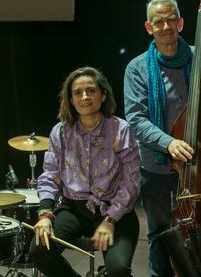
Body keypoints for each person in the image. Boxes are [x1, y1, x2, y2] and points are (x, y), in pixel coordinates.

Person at [124, 0, 201, 277]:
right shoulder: (136, 68)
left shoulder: (199, 55)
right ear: (149, 27)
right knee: (159, 234)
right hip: (157, 165)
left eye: (171, 19)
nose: (166, 25)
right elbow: (136, 120)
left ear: (181, 23)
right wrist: (169, 143)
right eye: (159, 21)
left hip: (198, 165)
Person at [29, 67, 141, 277]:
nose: (85, 97)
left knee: (118, 270)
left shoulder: (121, 129)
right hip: (74, 208)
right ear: (71, 99)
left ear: (103, 94)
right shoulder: (60, 131)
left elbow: (132, 180)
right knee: (39, 250)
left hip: (115, 209)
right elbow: (49, 175)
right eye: (78, 92)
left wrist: (110, 220)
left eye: (91, 90)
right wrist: (44, 214)